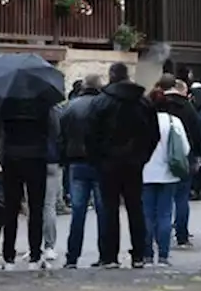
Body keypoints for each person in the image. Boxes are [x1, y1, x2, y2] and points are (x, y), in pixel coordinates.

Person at [86, 62, 160, 269]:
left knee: (109, 209)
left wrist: (97, 160)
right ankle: (139, 254)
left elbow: (90, 134)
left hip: (108, 163)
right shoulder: (143, 102)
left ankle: (109, 256)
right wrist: (143, 157)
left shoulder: (101, 102)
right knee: (135, 208)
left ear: (111, 76)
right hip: (134, 162)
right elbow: (153, 134)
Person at [0, 79, 54, 270]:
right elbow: (50, 130)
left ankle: (8, 257)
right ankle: (35, 255)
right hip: (36, 157)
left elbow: (1, 130)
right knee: (36, 208)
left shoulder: (5, 103)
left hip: (12, 157)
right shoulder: (42, 104)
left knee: (11, 209)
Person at [59, 73, 105, 269]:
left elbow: (62, 135)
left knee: (78, 212)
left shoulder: (71, 106)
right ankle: (106, 255)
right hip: (100, 163)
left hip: (76, 162)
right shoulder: (104, 105)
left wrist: (64, 159)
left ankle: (72, 257)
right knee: (104, 211)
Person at [142, 86, 191, 266]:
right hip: (168, 173)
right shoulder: (173, 122)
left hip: (145, 173)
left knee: (146, 214)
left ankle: (146, 254)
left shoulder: (143, 121)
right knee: (164, 214)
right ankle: (163, 255)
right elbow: (185, 148)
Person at [152, 76, 201, 248]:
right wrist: (196, 155)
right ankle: (182, 235)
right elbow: (196, 131)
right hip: (182, 156)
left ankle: (154, 236)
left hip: (155, 158)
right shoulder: (187, 107)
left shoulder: (154, 104)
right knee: (181, 198)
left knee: (156, 202)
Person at [41, 102, 64, 262]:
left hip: (33, 158)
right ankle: (49, 246)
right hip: (52, 159)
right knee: (49, 205)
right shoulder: (55, 111)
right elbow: (60, 135)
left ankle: (34, 247)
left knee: (34, 205)